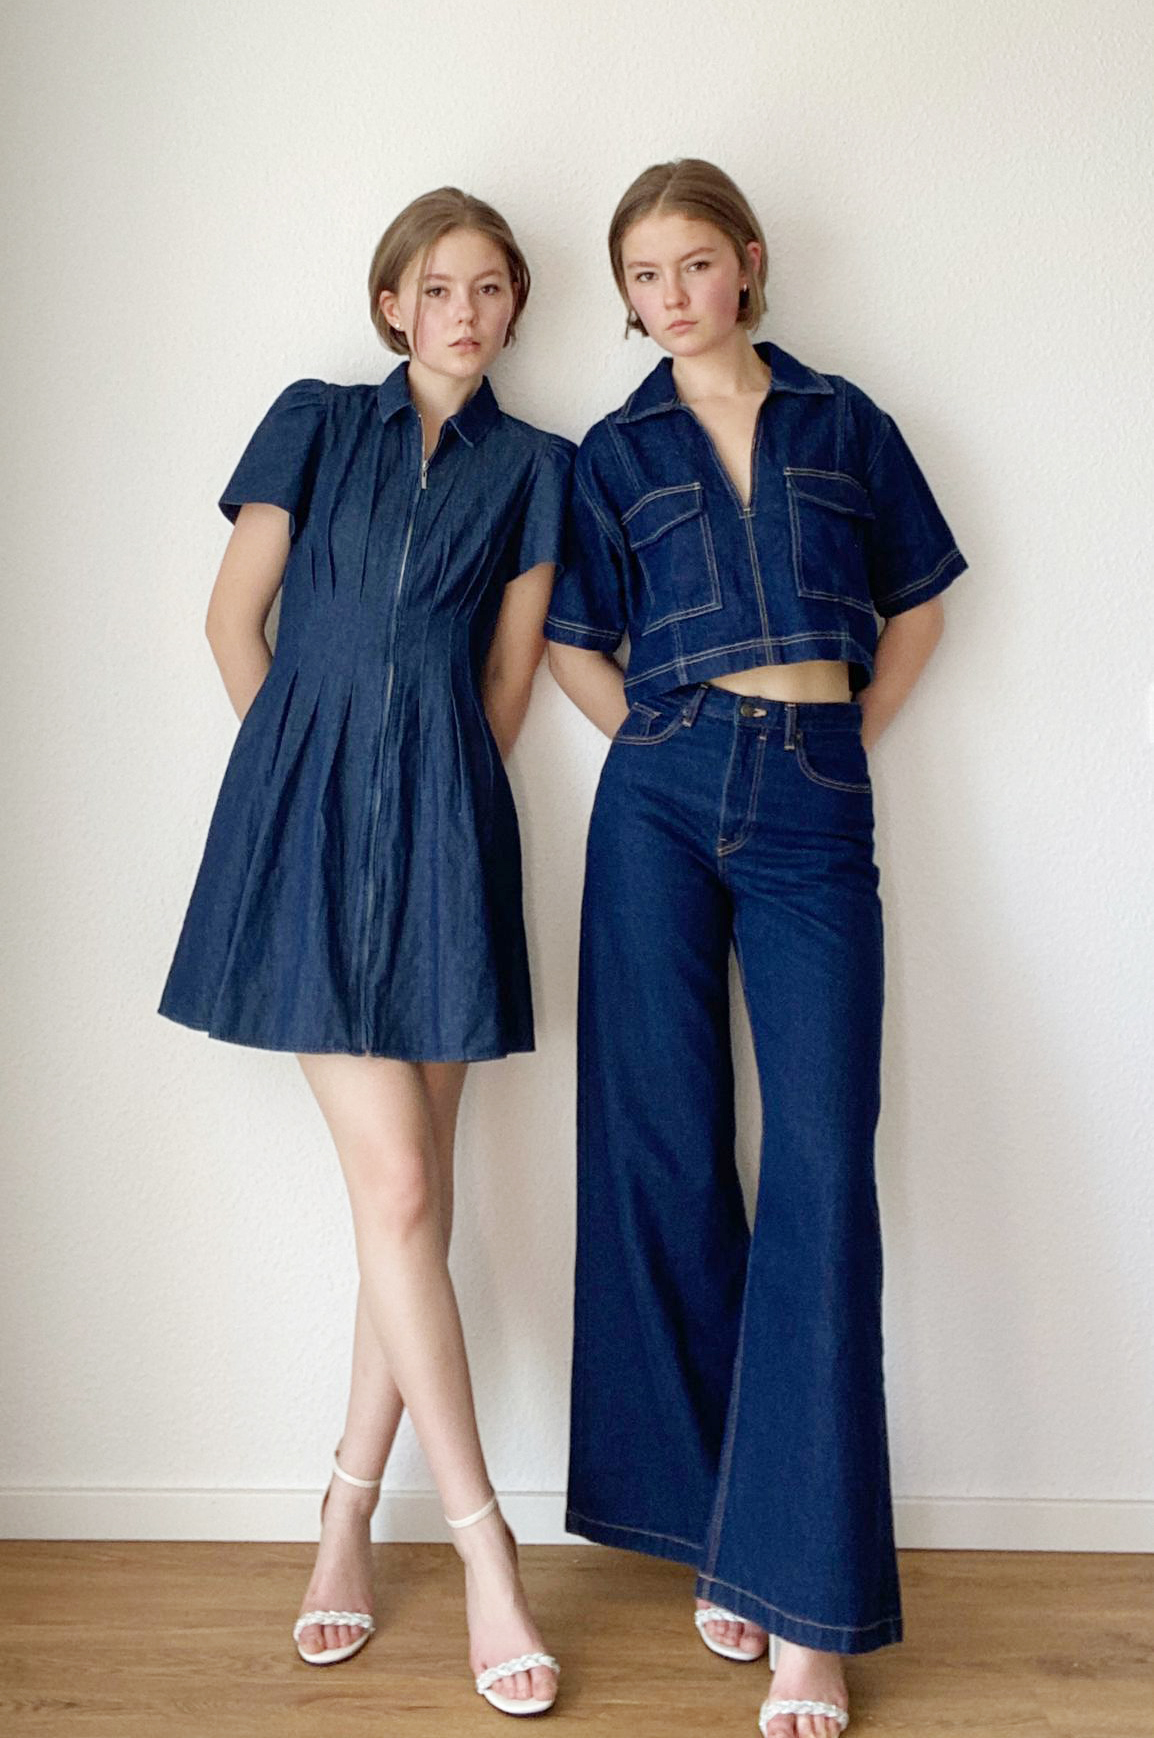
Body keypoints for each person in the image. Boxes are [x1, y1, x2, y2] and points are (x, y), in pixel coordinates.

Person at [544, 159, 967, 1738]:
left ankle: (805, 1610)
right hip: (656, 797)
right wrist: (657, 747)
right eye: (642, 274)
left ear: (747, 262)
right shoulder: (615, 451)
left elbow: (917, 603)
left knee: (819, 1176)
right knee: (660, 1151)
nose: (671, 295)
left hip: (812, 800)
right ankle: (719, 1522)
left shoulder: (846, 423)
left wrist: (838, 736)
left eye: (694, 264)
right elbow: (574, 638)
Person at [159, 187, 572, 1718]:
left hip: (450, 846)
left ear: (514, 307)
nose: (464, 310)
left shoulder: (537, 468)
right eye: (436, 286)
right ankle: (483, 1548)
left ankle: (343, 1509)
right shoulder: (315, 422)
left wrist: (431, 801)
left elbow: (509, 683)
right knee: (399, 1191)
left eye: (490, 287)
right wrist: (303, 792)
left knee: (412, 1209)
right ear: (392, 301)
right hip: (306, 841)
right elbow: (233, 624)